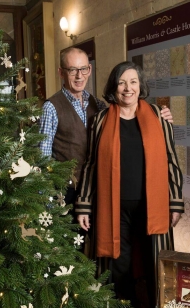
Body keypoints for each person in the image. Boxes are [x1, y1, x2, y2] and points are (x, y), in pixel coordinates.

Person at [75, 61, 184, 308]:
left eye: (133, 82)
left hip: (152, 205)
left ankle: (158, 307)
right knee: (117, 265)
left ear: (140, 86)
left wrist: (175, 203)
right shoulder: (101, 120)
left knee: (154, 262)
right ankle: (120, 306)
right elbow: (91, 164)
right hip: (113, 208)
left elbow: (171, 160)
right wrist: (83, 205)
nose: (128, 88)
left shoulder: (158, 116)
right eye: (122, 82)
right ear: (114, 87)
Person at [39, 47, 174, 206]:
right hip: (66, 192)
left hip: (97, 189)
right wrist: (46, 200)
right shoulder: (51, 107)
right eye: (72, 70)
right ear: (61, 73)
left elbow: (127, 112)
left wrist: (157, 115)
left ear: (89, 70)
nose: (79, 76)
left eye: (83, 69)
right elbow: (42, 157)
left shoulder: (99, 105)